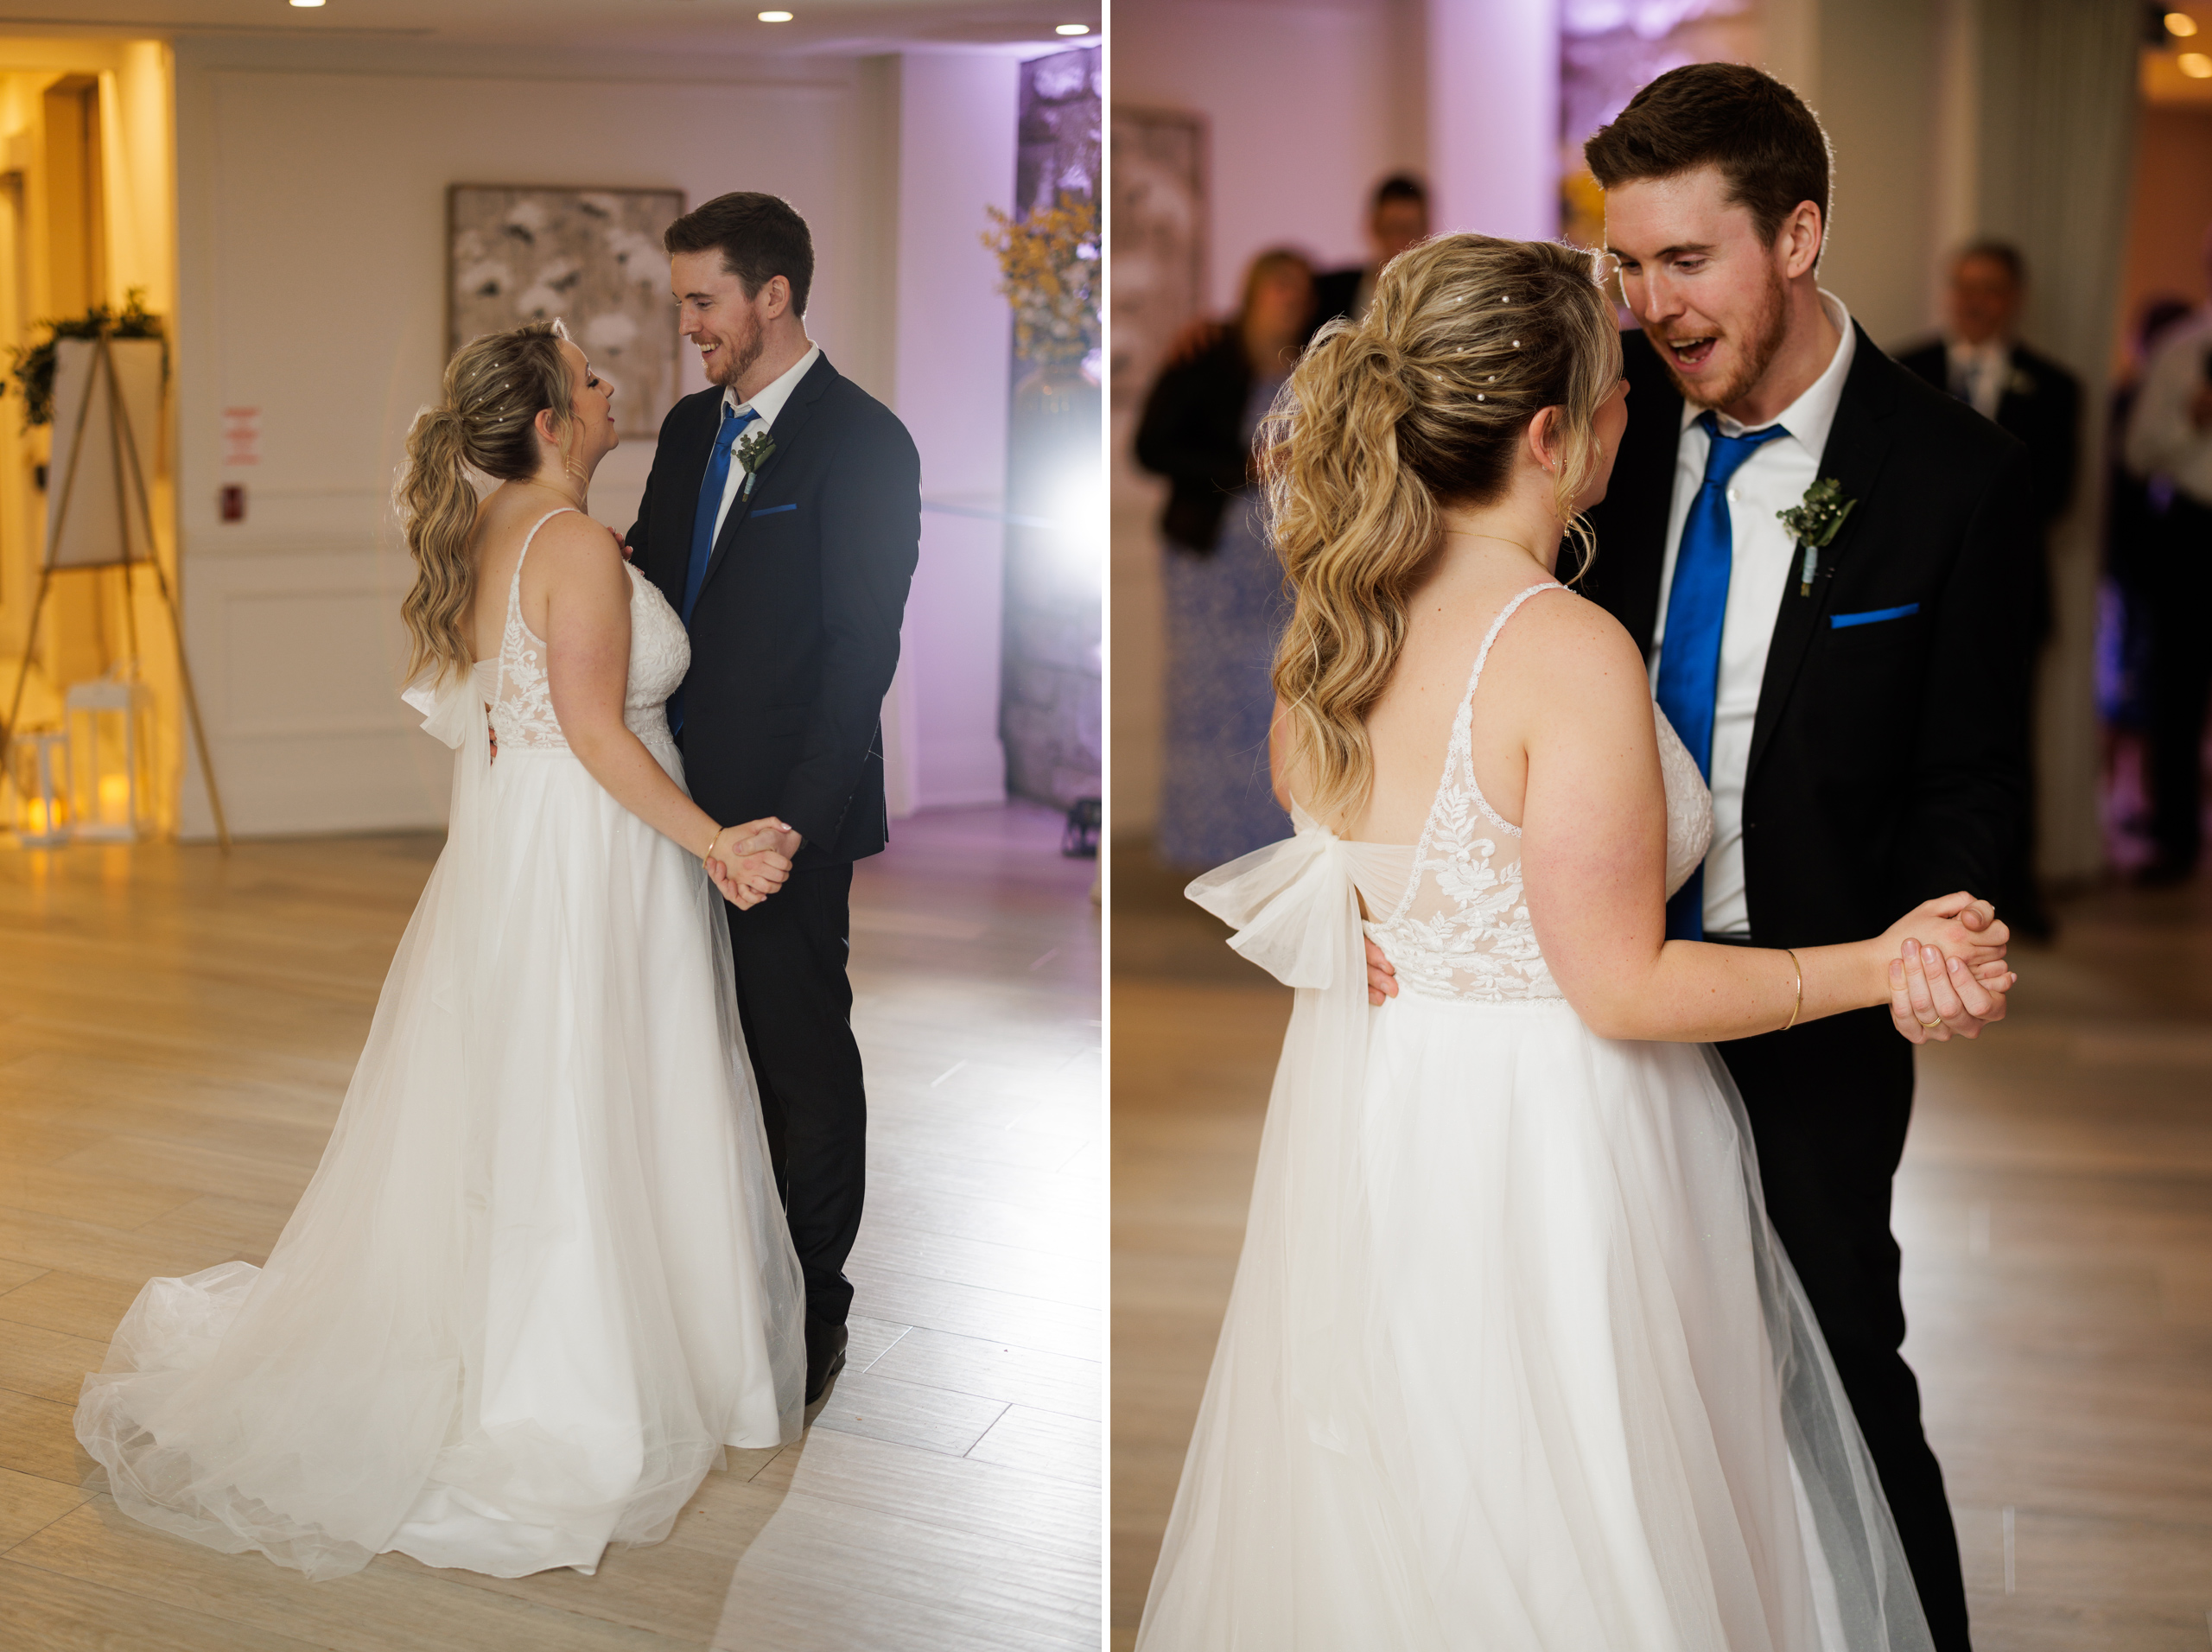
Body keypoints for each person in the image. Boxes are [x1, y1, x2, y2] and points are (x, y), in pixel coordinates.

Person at [1138, 232, 2014, 1649]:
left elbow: (1324, 831)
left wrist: (1382, 924)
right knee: (1588, 1500)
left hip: (1404, 1107)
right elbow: (1620, 981)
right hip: (1560, 1137)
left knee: (1431, 1478)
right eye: (1616, 392)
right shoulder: (1560, 647)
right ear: (1552, 435)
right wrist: (1885, 957)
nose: (1636, 412)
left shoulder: (1347, 610)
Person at [75, 321, 807, 1580]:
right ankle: (569, 1382)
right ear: (547, 422)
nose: (608, 385)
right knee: (590, 1095)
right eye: (587, 376)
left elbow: (505, 708)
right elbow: (591, 730)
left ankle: (551, 1336)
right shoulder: (568, 542)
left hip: (534, 847)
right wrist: (714, 843)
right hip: (593, 849)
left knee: (542, 1095)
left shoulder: (498, 530)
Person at [1477, 63, 2022, 1648]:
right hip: (1580, 997)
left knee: (1838, 1355)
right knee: (1603, 1365)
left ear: (1798, 233)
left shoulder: (1948, 476)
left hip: (1815, 1000)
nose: (1649, 301)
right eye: (1626, 262)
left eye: (1686, 259)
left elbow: (1972, 768)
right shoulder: (1598, 438)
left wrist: (1943, 921)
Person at [627, 192, 921, 1405]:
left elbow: (862, 653)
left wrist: (788, 826)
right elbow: (650, 588)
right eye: (682, 300)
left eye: (703, 301)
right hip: (668, 808)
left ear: (773, 297)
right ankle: (707, 1283)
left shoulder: (866, 444)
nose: (686, 323)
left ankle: (814, 1307)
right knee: (686, 1046)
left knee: (798, 1056)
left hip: (779, 823)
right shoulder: (693, 429)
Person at [1897, 242, 2080, 936]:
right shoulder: (1901, 369)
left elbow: (2056, 493)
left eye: (1991, 289)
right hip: (1910, 594)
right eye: (1964, 286)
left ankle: (2013, 891)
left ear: (2014, 298)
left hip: (2010, 599)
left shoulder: (2055, 386)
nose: (1975, 300)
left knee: (2003, 743)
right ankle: (1917, 887)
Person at [1135, 248, 1313, 866]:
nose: (1289, 297)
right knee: (1207, 705)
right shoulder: (1206, 357)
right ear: (1252, 292)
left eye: (1300, 288)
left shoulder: (1318, 367)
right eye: (1277, 285)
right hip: (1209, 566)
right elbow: (1150, 447)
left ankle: (1273, 849)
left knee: (1275, 699)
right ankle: (1205, 847)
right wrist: (1246, 466)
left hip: (1285, 566)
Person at [2123, 225, 2212, 886]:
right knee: (2176, 693)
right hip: (2193, 531)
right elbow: (2138, 452)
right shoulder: (2182, 349)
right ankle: (2176, 841)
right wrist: (2192, 421)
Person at [1310, 172, 1430, 330]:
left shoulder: (1434, 296)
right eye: (1392, 227)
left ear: (1426, 231)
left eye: (1409, 229)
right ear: (1374, 226)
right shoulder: (1330, 292)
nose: (1401, 239)